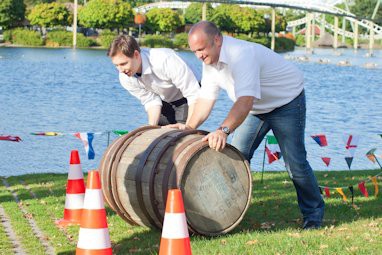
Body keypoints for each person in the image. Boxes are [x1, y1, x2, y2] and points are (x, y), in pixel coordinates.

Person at [167, 21, 324, 230]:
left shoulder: (242, 55)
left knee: (295, 163)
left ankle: (313, 215)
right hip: (256, 109)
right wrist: (188, 127)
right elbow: (205, 99)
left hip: (287, 102)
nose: (199, 56)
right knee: (235, 157)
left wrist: (223, 130)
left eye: (202, 49)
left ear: (217, 40)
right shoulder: (210, 63)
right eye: (194, 51)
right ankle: (224, 214)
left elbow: (245, 100)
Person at [107, 35, 200, 126]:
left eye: (123, 64)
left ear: (136, 55)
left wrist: (188, 127)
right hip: (165, 98)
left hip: (188, 95)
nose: (120, 70)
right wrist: (150, 127)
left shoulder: (165, 60)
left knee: (180, 133)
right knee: (158, 134)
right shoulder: (124, 77)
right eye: (116, 65)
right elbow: (151, 100)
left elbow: (193, 94)